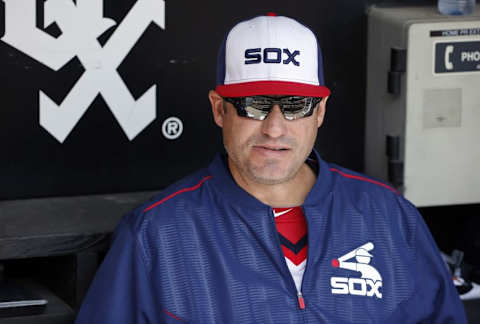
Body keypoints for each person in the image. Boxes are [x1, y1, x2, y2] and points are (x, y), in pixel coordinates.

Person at [75, 14, 467, 323]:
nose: (274, 128)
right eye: (254, 105)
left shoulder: (388, 217)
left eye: (295, 105)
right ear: (219, 109)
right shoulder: (157, 236)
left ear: (320, 112)